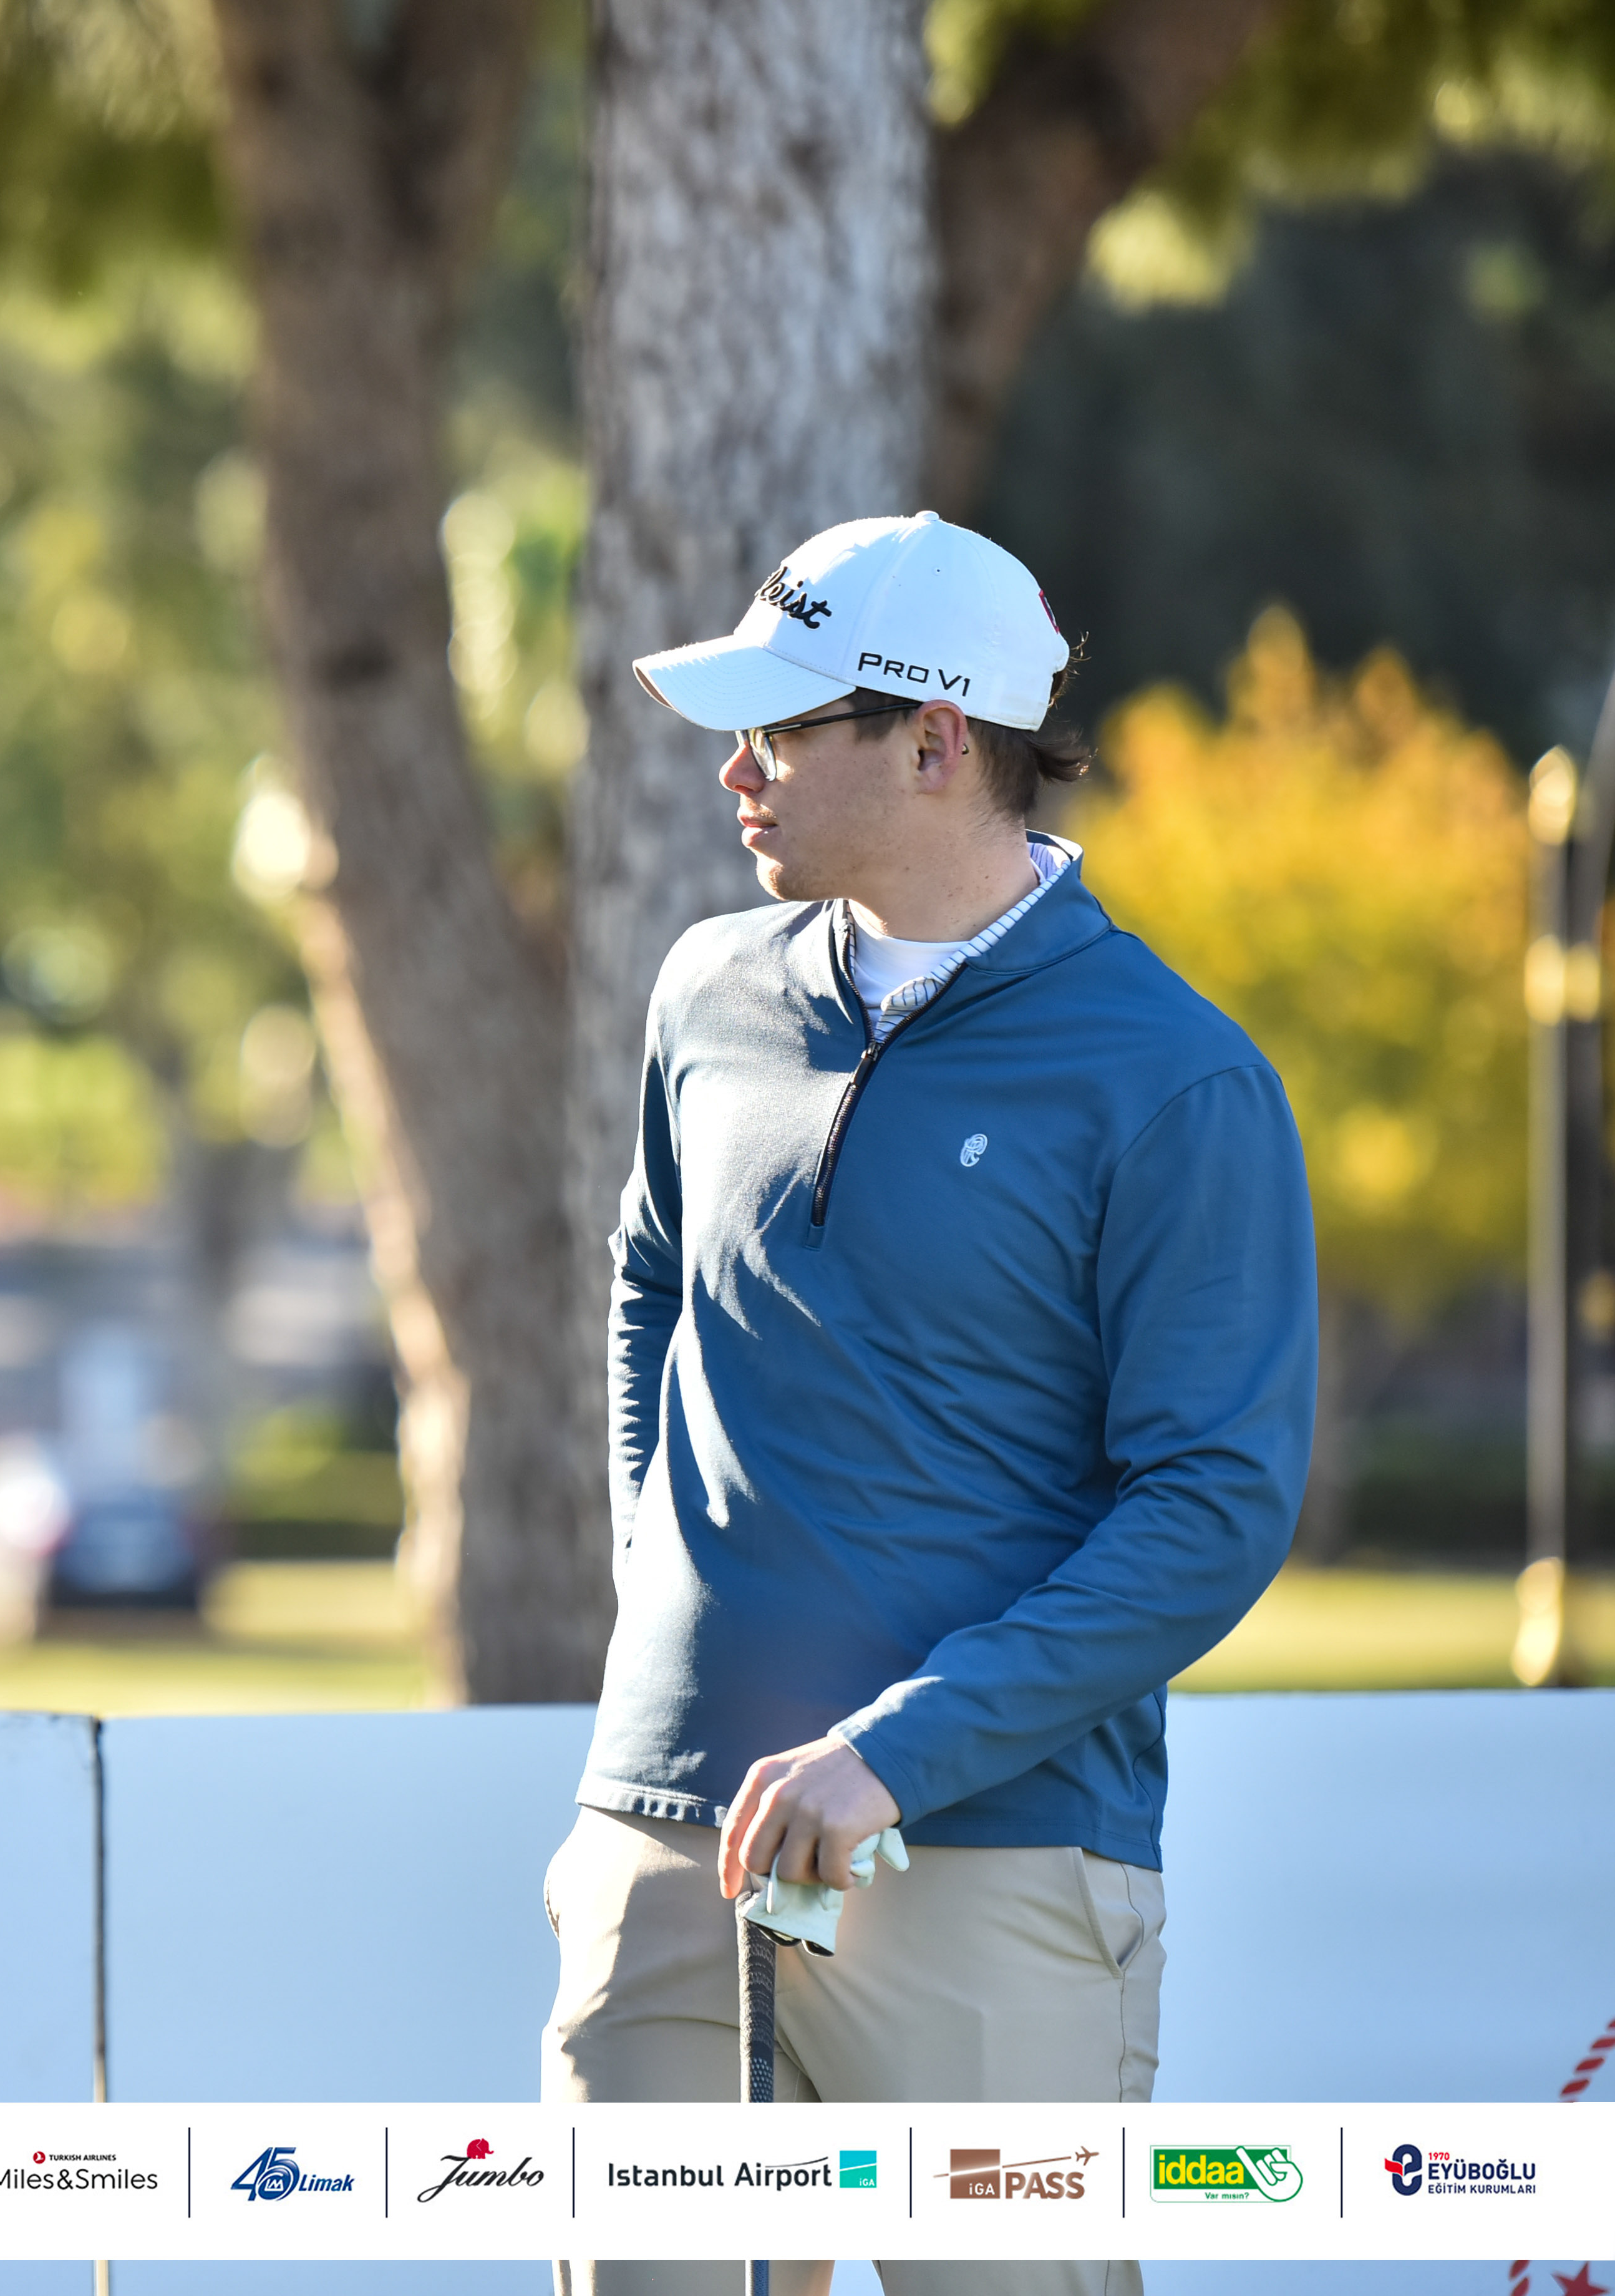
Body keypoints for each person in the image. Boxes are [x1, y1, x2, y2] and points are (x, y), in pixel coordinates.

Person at [543, 512, 1316, 2296]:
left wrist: (899, 1748)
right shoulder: (705, 990)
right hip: (664, 1837)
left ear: (936, 741)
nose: (735, 769)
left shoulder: (1175, 1078)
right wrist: (663, 1582)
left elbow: (1212, 1506)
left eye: (781, 726)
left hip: (996, 1860)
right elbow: (651, 1284)